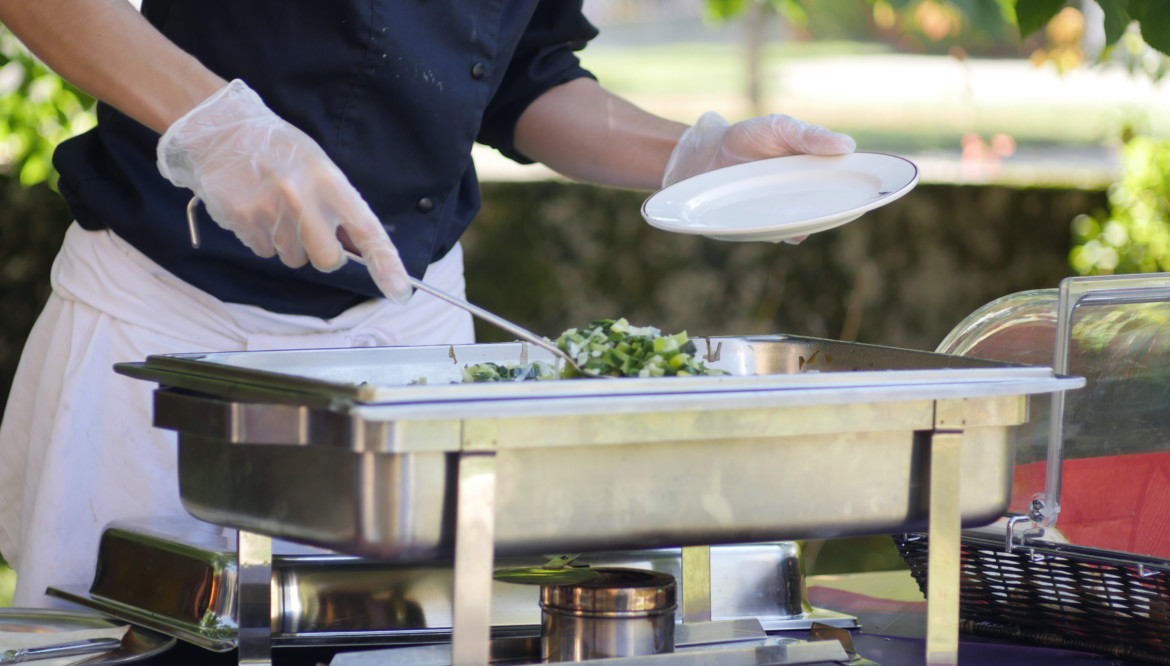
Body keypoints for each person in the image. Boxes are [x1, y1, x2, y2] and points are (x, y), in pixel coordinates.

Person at [0, 0, 856, 607]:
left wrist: (698, 158)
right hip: (166, 338)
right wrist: (217, 126)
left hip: (413, 357)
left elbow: (525, 77)